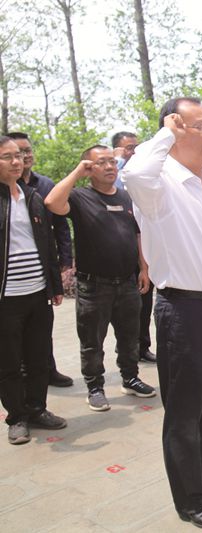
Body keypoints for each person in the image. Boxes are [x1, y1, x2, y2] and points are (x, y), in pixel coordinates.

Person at [122, 97, 202, 530]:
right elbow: (134, 171)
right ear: (174, 128)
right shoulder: (158, 184)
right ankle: (191, 499)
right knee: (185, 412)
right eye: (201, 126)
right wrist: (167, 134)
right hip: (184, 310)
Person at [45, 146, 156, 411]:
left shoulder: (127, 197)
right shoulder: (81, 197)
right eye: (101, 162)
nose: (109, 167)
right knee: (92, 341)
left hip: (128, 281)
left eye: (111, 162)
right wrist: (76, 173)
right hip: (94, 285)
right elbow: (51, 203)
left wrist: (144, 268)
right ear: (89, 167)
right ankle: (95, 387)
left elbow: (138, 234)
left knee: (130, 336)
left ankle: (130, 378)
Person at [0, 136, 67, 445]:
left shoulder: (32, 196)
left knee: (39, 357)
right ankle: (16, 417)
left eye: (18, 156)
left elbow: (47, 244)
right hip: (6, 298)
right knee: (9, 362)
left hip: (38, 292)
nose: (16, 161)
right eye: (7, 157)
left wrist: (53, 285)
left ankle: (38, 409)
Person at [8, 131, 74, 387]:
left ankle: (48, 370)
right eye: (16, 153)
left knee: (41, 333)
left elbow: (59, 228)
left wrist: (64, 262)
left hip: (40, 272)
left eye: (26, 150)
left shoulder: (44, 185)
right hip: (13, 283)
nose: (24, 156)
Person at [111, 130, 156, 364]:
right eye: (128, 148)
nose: (133, 152)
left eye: (136, 147)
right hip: (120, 253)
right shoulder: (117, 173)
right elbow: (115, 184)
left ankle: (143, 346)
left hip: (144, 248)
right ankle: (126, 353)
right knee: (126, 311)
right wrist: (117, 160)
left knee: (145, 303)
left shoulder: (141, 173)